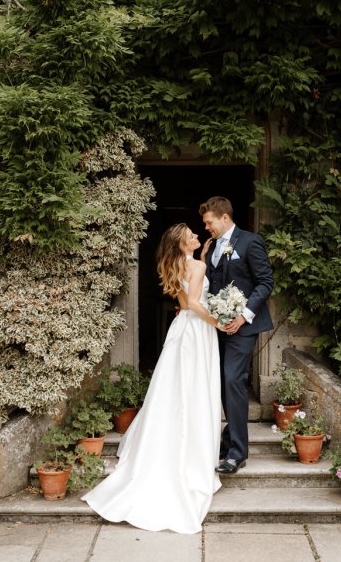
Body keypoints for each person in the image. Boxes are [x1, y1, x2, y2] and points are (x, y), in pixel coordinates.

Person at [82, 223, 224, 534]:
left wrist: (200, 255)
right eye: (192, 234)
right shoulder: (198, 266)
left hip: (180, 329)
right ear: (183, 242)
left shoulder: (176, 264)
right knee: (194, 391)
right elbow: (198, 304)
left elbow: (186, 301)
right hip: (198, 331)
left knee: (175, 390)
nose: (197, 235)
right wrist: (221, 322)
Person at [199, 197, 274, 474]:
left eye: (209, 222)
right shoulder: (213, 246)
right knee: (221, 382)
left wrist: (243, 316)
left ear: (224, 217)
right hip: (216, 326)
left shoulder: (250, 242)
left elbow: (266, 282)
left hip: (243, 327)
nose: (206, 227)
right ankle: (230, 438)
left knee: (233, 379)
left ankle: (237, 453)